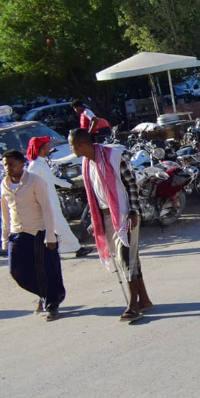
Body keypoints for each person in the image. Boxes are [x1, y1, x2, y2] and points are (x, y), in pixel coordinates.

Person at [71, 128, 153, 322]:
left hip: (124, 214)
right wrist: (95, 220)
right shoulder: (86, 163)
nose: (71, 149)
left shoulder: (113, 156)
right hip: (107, 217)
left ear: (81, 144)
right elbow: (94, 193)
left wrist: (133, 212)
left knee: (126, 258)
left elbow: (131, 184)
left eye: (72, 145)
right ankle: (145, 300)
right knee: (129, 259)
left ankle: (133, 305)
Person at [0, 149, 66, 320]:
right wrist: (5, 237)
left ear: (22, 164)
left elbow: (47, 209)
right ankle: (47, 295)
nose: (8, 168)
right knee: (16, 271)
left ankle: (51, 303)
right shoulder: (4, 184)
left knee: (43, 270)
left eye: (12, 164)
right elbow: (5, 213)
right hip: (17, 233)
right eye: (6, 164)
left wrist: (50, 235)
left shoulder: (35, 182)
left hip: (37, 232)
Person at [25, 136, 86, 257]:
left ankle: (60, 249)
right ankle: (76, 248)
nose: (49, 148)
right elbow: (31, 186)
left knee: (57, 226)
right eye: (47, 146)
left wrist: (68, 185)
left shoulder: (41, 163)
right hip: (46, 202)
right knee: (60, 225)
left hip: (52, 199)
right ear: (42, 148)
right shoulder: (35, 166)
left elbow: (52, 179)